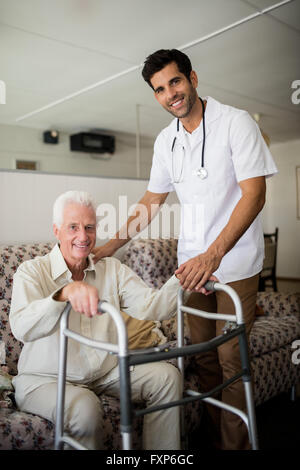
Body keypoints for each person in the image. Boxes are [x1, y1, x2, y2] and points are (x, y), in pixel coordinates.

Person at [93, 49, 278, 450]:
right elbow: (150, 202)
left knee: (231, 359)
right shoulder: (166, 141)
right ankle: (216, 438)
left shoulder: (235, 123)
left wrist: (214, 254)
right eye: (159, 89)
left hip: (235, 263)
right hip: (190, 267)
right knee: (203, 359)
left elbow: (255, 194)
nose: (169, 94)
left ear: (192, 78)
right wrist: (107, 247)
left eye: (174, 82)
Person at [9, 190, 184, 450]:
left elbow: (152, 308)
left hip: (104, 373)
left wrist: (184, 279)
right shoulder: (31, 271)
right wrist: (64, 294)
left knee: (167, 378)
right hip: (45, 379)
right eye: (73, 227)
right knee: (86, 408)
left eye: (89, 227)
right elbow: (22, 328)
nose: (83, 236)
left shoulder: (111, 269)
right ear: (56, 230)